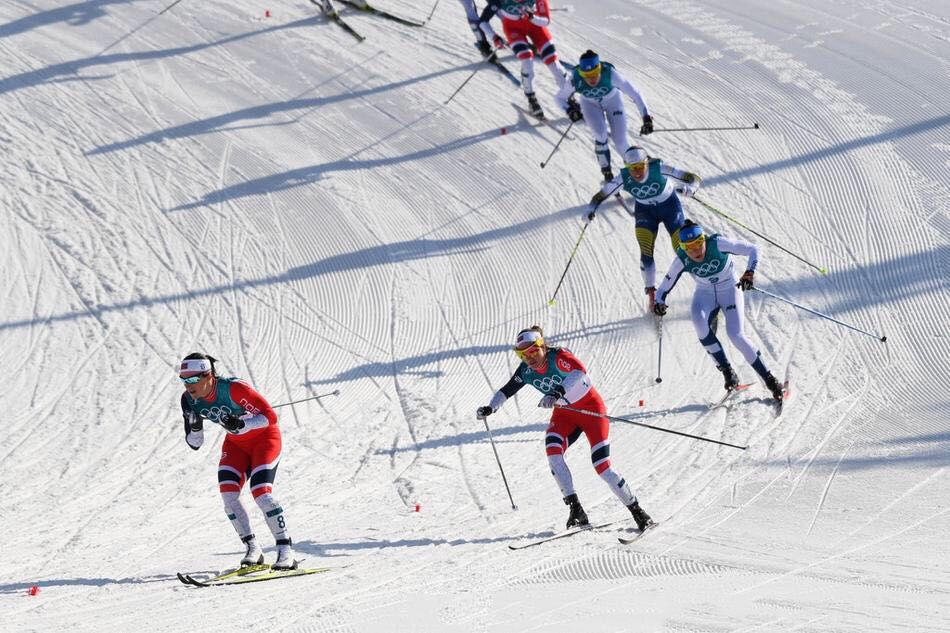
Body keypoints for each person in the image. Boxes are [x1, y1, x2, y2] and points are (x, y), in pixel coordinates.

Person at [476, 326, 654, 531]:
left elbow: (580, 372)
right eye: (522, 354)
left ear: (543, 346)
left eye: (533, 351)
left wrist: (558, 392)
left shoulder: (558, 356)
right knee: (552, 451)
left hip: (591, 411)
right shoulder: (525, 370)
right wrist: (491, 407)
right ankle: (576, 509)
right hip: (565, 415)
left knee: (602, 466)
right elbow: (507, 390)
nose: (529, 357)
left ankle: (638, 512)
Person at [178, 353, 298, 570]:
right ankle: (253, 548)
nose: (189, 385)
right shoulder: (188, 400)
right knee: (229, 496)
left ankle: (285, 550)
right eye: (184, 380)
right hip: (236, 445)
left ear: (209, 376)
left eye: (194, 379)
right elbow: (195, 443)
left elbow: (270, 417)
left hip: (264, 439)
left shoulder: (234, 389)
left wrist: (245, 425)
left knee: (262, 493)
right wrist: (194, 426)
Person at [653, 220, 785, 402]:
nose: (696, 251)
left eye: (699, 243)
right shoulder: (681, 259)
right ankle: (728, 372)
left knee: (736, 335)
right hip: (705, 293)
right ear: (683, 247)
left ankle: (770, 380)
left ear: (704, 239)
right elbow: (662, 289)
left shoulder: (718, 243)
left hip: (730, 289)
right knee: (699, 323)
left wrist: (749, 272)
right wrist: (659, 302)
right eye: (690, 247)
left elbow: (754, 249)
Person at [586, 146, 701, 310]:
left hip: (670, 207)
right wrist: (591, 209)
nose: (637, 172)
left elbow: (692, 177)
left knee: (683, 248)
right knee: (646, 252)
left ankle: (704, 284)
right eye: (632, 168)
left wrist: (692, 188)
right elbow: (601, 195)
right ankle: (652, 295)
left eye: (640, 166)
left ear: (647, 163)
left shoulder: (659, 169)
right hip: (645, 213)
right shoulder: (623, 178)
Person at [554, 50, 653, 182]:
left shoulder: (611, 74)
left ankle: (641, 169)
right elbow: (559, 98)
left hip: (613, 101)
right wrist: (570, 110)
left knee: (621, 141)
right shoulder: (575, 79)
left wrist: (646, 117)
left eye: (595, 74)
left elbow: (635, 94)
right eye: (586, 75)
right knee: (600, 135)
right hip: (589, 104)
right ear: (581, 73)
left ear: (600, 69)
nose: (591, 79)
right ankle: (607, 172)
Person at [478, 0, 567, 118]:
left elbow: (546, 21)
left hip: (536, 28)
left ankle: (569, 97)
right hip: (513, 30)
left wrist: (532, 18)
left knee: (554, 65)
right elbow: (483, 21)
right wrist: (494, 37)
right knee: (527, 59)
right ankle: (531, 98)